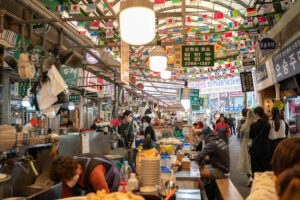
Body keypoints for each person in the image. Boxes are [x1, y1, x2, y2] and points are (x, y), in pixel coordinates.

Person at [50, 153, 120, 198]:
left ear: (77, 170)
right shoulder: (66, 171)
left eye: (68, 179)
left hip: (110, 178)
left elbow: (105, 198)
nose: (66, 182)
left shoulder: (95, 173)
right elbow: (66, 197)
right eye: (64, 180)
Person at [249, 106, 272, 175]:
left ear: (256, 114)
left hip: (256, 149)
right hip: (266, 147)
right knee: (266, 168)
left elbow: (251, 136)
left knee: (257, 169)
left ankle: (258, 184)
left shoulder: (253, 125)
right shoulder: (267, 124)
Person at [237, 110, 255, 186]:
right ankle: (254, 177)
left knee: (246, 161)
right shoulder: (255, 124)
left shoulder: (244, 125)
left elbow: (240, 135)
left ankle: (250, 177)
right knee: (253, 160)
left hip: (245, 143)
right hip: (253, 143)